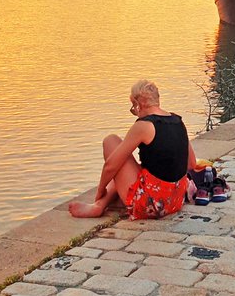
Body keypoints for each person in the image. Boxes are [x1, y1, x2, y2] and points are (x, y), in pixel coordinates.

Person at [68, 79, 197, 221]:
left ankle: (98, 203)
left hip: (152, 206)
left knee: (111, 141)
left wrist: (100, 190)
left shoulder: (144, 125)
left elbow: (110, 166)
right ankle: (100, 205)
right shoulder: (178, 121)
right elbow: (191, 164)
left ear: (138, 104)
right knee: (125, 161)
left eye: (133, 108)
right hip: (175, 201)